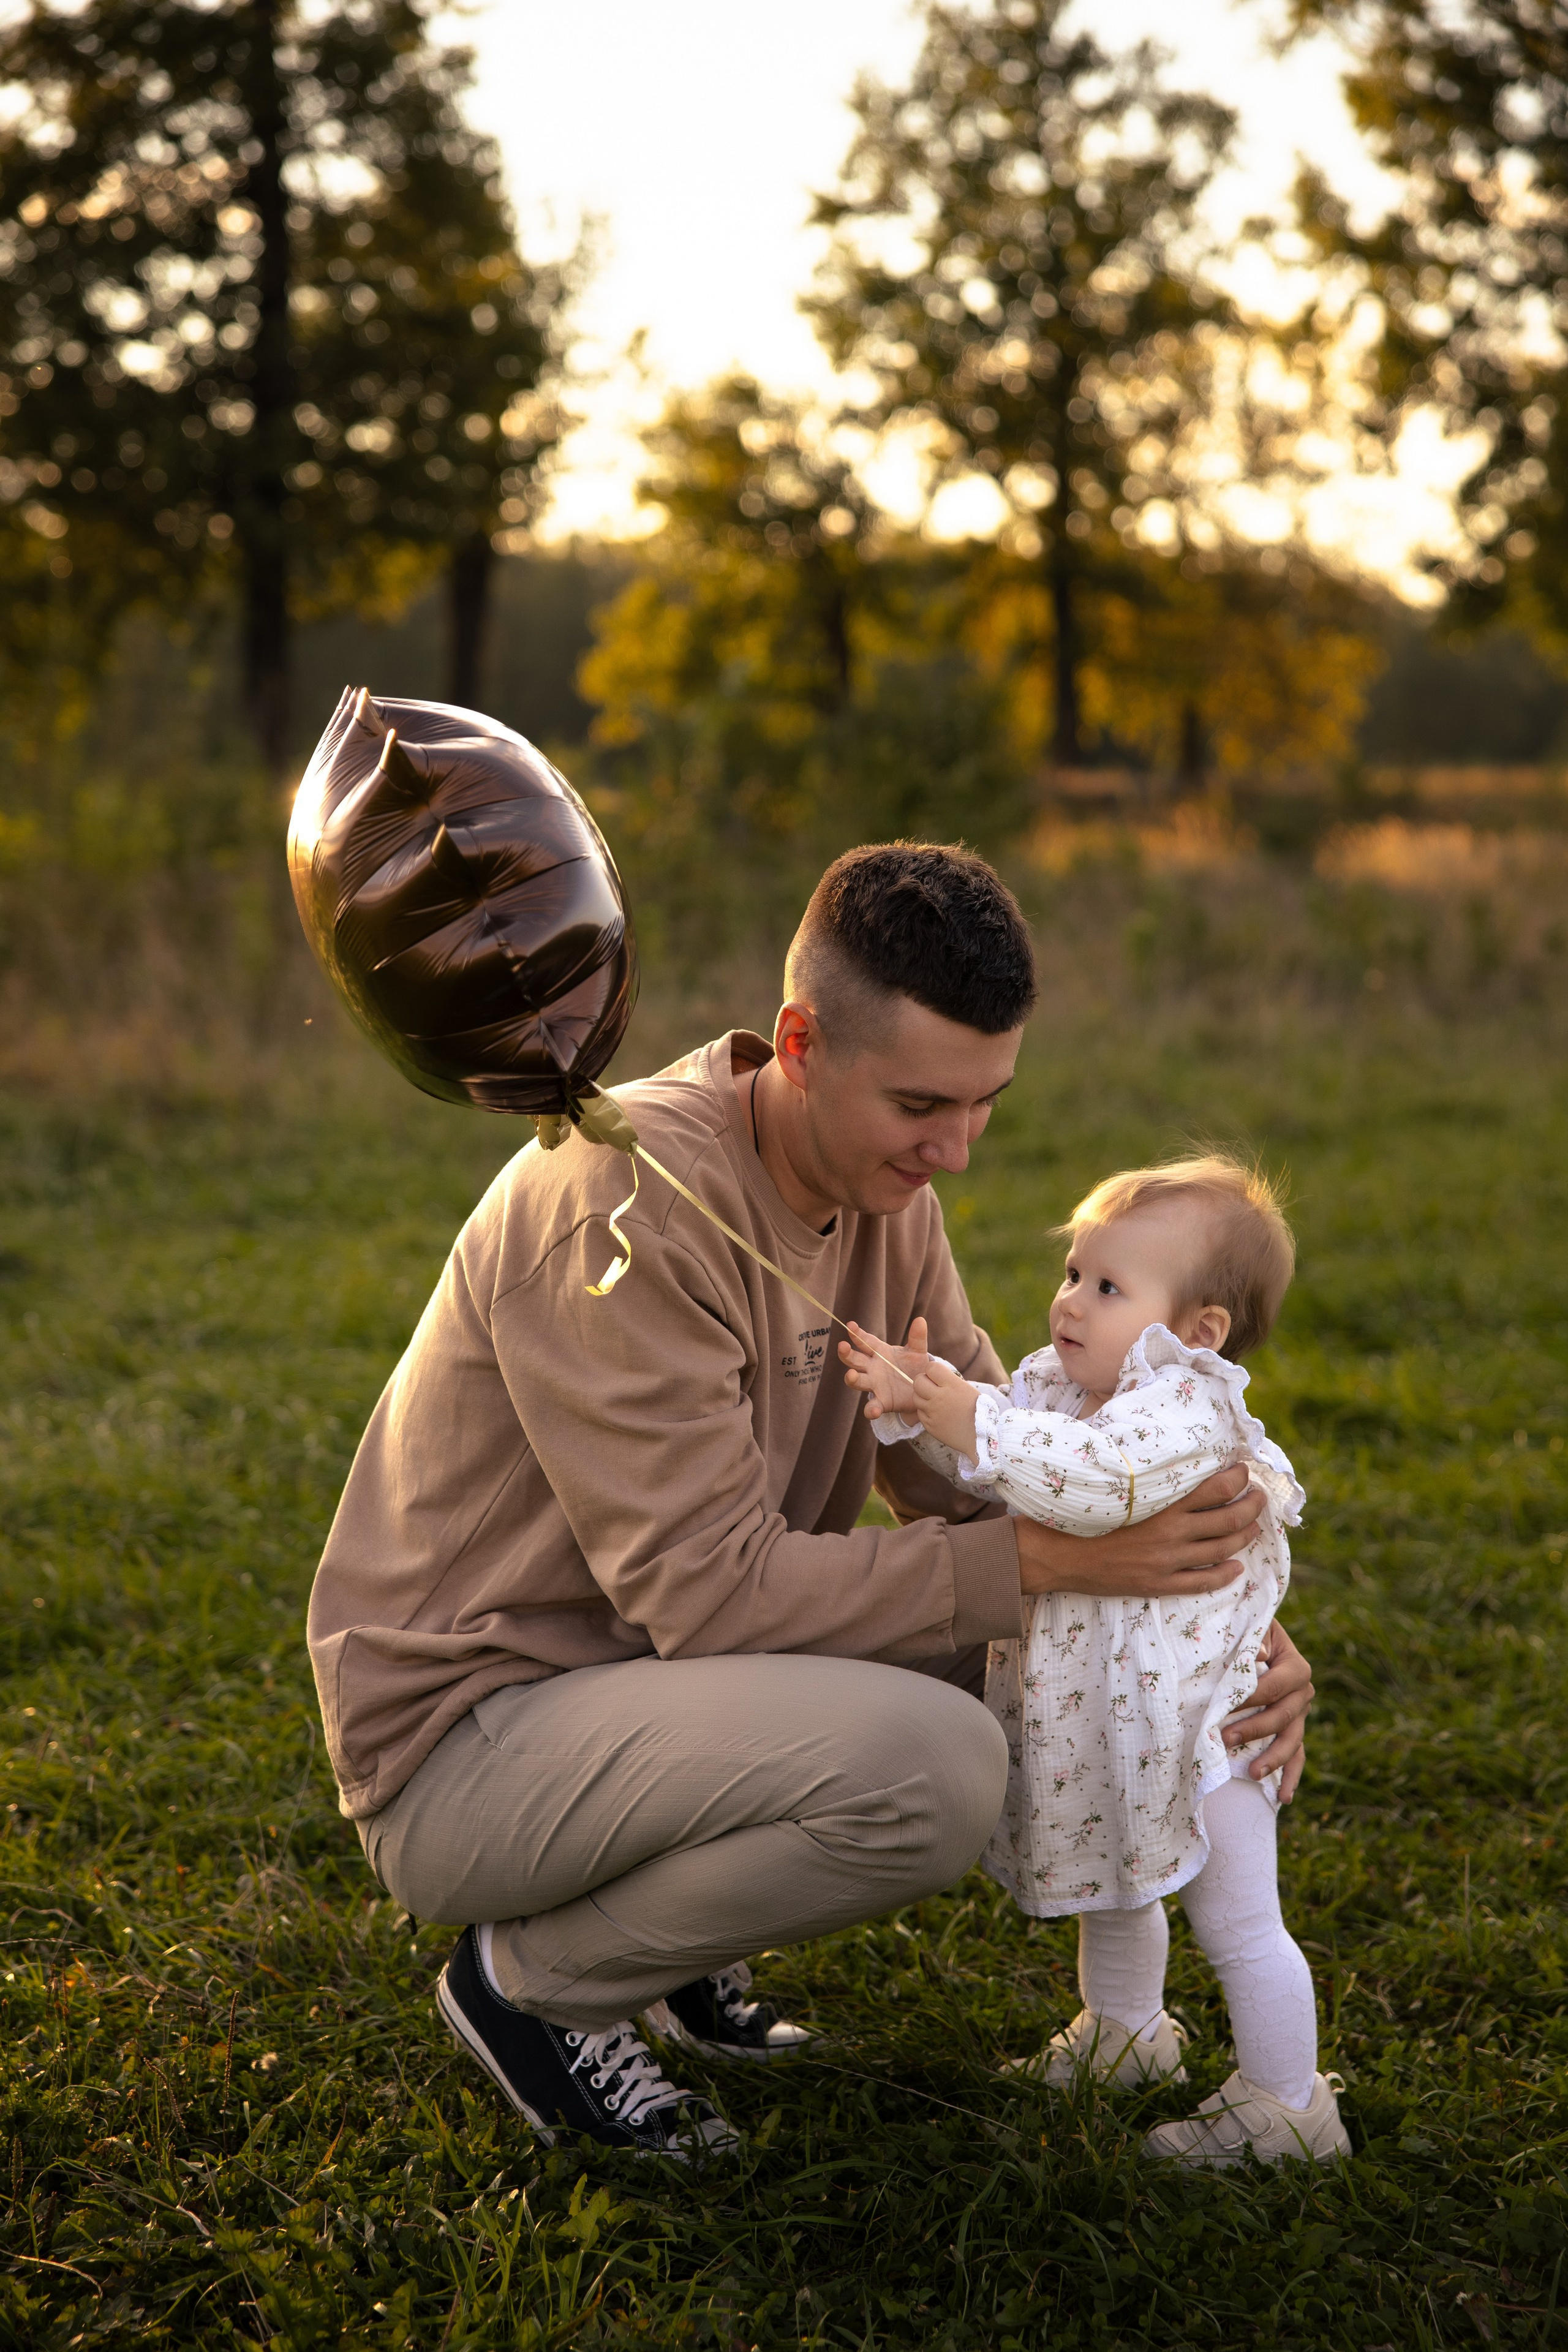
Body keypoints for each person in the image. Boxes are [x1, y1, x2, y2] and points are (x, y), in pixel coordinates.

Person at [306, 843, 1314, 2160]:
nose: (952, 1151)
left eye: (983, 1104)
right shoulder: (621, 1207)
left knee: (1048, 1650)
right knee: (933, 1767)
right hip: (472, 1740)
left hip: (656, 1693)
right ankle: (533, 1990)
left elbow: (970, 1473)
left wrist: (1213, 1628)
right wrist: (1067, 1569)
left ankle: (667, 1950)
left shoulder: (884, 1199)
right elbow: (710, 1594)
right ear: (797, 1041)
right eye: (918, 1106)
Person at [841, 1154, 1349, 2167]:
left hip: (1205, 1723)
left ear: (1196, 1333)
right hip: (1114, 1719)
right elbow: (1006, 1472)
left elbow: (1089, 1487)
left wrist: (968, 1417)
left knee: (1241, 1921)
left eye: (1108, 1287)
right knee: (1114, 1880)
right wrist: (924, 1410)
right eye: (1074, 1272)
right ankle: (1127, 2033)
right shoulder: (1059, 1387)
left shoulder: (1182, 1411)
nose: (1070, 1300)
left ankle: (1289, 2104)